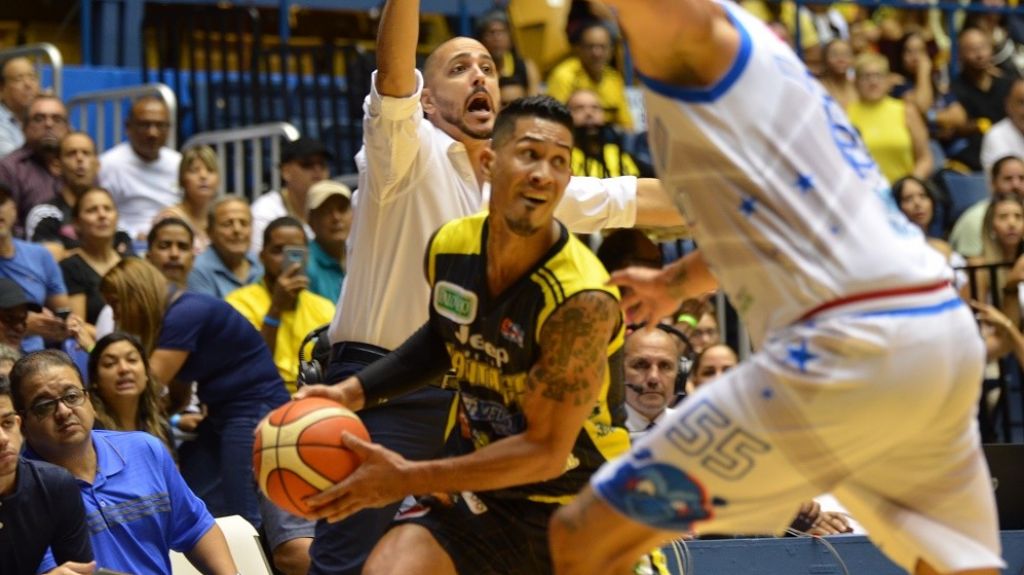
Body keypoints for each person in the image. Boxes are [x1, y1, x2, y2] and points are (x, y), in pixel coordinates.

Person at [549, 2, 1002, 575]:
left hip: (850, 343)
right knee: (955, 565)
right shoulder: (761, 69)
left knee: (582, 537)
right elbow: (756, 214)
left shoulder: (691, 37)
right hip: (935, 330)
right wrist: (676, 281)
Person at [316, 0, 683, 570]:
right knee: (351, 560)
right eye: (460, 68)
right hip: (384, 380)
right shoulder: (405, 153)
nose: (480, 75)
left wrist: (746, 201)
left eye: (487, 66)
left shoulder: (518, 181)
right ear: (428, 100)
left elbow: (628, 198)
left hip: (478, 401)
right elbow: (392, 74)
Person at [299, 95, 629, 575]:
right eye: (530, 154)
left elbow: (544, 452)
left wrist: (407, 477)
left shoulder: (581, 301)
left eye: (559, 162)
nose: (543, 173)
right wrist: (351, 391)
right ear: (490, 163)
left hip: (574, 503)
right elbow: (443, 336)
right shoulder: (452, 247)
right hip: (476, 496)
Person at [10, 350, 238, 575]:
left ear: (88, 399)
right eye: (44, 405)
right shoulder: (19, 491)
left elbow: (195, 528)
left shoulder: (145, 450)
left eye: (71, 396)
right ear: (23, 423)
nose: (63, 411)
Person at [101, 258, 288, 527]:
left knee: (244, 515)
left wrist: (96, 359)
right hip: (222, 413)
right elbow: (177, 399)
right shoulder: (171, 321)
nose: (116, 316)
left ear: (136, 294)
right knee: (188, 492)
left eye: (116, 304)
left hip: (254, 408)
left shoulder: (185, 313)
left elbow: (147, 386)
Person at [226, 216, 335, 393]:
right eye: (277, 251)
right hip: (261, 396)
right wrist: (276, 308)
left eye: (296, 252)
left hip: (314, 399)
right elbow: (250, 369)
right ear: (262, 256)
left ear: (308, 256)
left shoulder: (324, 307)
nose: (287, 260)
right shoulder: (238, 303)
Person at [0, 375, 96, 575]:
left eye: (7, 423)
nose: (2, 439)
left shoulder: (55, 485)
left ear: (19, 424)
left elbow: (80, 570)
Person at [26, 132, 132, 262]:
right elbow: (49, 262)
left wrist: (68, 252)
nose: (80, 159)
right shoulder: (45, 213)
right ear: (57, 166)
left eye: (86, 153)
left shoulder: (109, 215)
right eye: (71, 153)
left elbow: (129, 265)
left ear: (97, 165)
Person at [0, 182, 72, 352]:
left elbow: (64, 312)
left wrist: (59, 325)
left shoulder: (41, 256)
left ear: (14, 209)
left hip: (36, 358)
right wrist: (22, 323)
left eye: (1, 201)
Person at [98, 96, 181, 239]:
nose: (152, 133)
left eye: (160, 125)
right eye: (145, 125)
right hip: (126, 243)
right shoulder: (109, 164)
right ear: (128, 127)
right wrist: (131, 235)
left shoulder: (178, 163)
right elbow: (100, 214)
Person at [847, 53, 933, 183]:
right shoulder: (845, 115)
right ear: (856, 82)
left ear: (888, 80)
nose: (873, 81)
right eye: (866, 76)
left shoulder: (906, 110)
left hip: (903, 193)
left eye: (878, 76)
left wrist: (909, 185)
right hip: (863, 193)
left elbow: (925, 158)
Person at [87, 332, 172, 450]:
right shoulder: (90, 432)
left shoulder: (162, 430)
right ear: (95, 380)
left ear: (146, 373)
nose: (124, 369)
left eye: (132, 360)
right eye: (109, 364)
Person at [547, 20, 634, 131]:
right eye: (590, 47)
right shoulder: (563, 75)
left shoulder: (614, 78)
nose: (596, 53)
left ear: (611, 51)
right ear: (579, 49)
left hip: (607, 139)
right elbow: (553, 121)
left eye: (602, 47)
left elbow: (627, 125)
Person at [0, 95, 68, 231]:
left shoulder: (79, 165)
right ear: (24, 128)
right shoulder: (9, 168)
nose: (49, 124)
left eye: (57, 119)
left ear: (67, 128)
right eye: (39, 119)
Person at [250, 137, 329, 253]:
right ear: (286, 172)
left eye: (322, 164)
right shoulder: (264, 212)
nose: (317, 170)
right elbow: (260, 264)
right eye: (307, 164)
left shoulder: (334, 210)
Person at [60, 188, 124, 326]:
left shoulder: (131, 262)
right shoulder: (70, 267)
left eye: (107, 209)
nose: (102, 215)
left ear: (117, 217)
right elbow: (78, 325)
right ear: (76, 223)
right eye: (92, 210)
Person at [567, 89, 653, 179]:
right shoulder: (565, 157)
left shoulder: (619, 154)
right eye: (579, 108)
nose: (589, 113)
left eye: (595, 108)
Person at [188, 196, 262, 298]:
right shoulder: (197, 270)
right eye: (227, 224)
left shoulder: (261, 264)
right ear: (209, 232)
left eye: (244, 223)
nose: (237, 230)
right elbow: (208, 313)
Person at [950, 154, 1024, 257]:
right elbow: (972, 268)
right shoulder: (975, 219)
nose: (1016, 185)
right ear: (993, 183)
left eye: (1022, 178)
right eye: (1008, 179)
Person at [154, 145, 219, 253]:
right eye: (194, 170)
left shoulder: (220, 219)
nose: (203, 176)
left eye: (210, 170)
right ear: (182, 179)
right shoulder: (168, 219)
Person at [622, 327, 681, 440]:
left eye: (665, 366)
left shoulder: (693, 426)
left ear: (678, 375)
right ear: (619, 372)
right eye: (640, 365)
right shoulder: (593, 433)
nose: (653, 378)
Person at [475, 9, 542, 103]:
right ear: (481, 39)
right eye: (491, 33)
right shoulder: (476, 72)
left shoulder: (526, 67)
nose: (496, 38)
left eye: (501, 32)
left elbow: (534, 104)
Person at [305, 180, 351, 303]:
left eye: (342, 209)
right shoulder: (305, 265)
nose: (336, 218)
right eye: (326, 211)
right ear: (310, 220)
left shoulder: (364, 257)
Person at [0, 57, 41, 158]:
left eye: (32, 77)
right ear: (2, 89)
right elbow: (17, 167)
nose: (28, 84)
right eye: (19, 79)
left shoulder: (45, 117)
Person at [147, 217, 196, 287]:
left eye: (183, 247)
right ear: (148, 258)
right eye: (164, 246)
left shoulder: (206, 297)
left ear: (193, 259)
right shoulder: (133, 297)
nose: (174, 254)